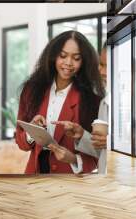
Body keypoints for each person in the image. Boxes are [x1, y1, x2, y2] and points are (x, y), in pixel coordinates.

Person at [15, 31, 105, 174]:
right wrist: (31, 131)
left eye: (76, 58)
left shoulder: (92, 100)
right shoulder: (32, 90)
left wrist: (73, 159)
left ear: (84, 62)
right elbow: (21, 143)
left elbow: (99, 154)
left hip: (69, 182)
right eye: (62, 56)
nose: (68, 63)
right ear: (53, 56)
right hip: (35, 175)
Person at [52, 43, 109, 174]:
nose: (102, 72)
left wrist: (112, 142)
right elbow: (100, 150)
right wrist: (82, 134)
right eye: (101, 64)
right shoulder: (103, 103)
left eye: (108, 66)